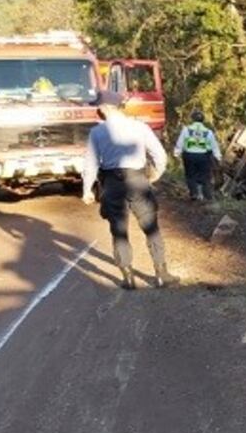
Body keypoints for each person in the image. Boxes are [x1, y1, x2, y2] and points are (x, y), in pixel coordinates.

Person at [82, 91, 178, 290]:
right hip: (137, 180)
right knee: (151, 228)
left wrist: (87, 190)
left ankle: (128, 278)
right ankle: (161, 275)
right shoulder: (140, 127)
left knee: (119, 231)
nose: (97, 110)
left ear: (104, 108)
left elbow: (90, 164)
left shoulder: (96, 133)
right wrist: (155, 175)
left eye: (98, 106)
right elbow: (160, 155)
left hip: (112, 183)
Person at [173, 110, 222, 201]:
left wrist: (177, 153)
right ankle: (206, 196)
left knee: (190, 175)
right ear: (203, 120)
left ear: (192, 119)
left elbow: (180, 142)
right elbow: (214, 146)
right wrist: (218, 156)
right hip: (204, 157)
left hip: (189, 156)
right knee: (204, 176)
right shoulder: (208, 132)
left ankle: (194, 194)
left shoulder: (186, 130)